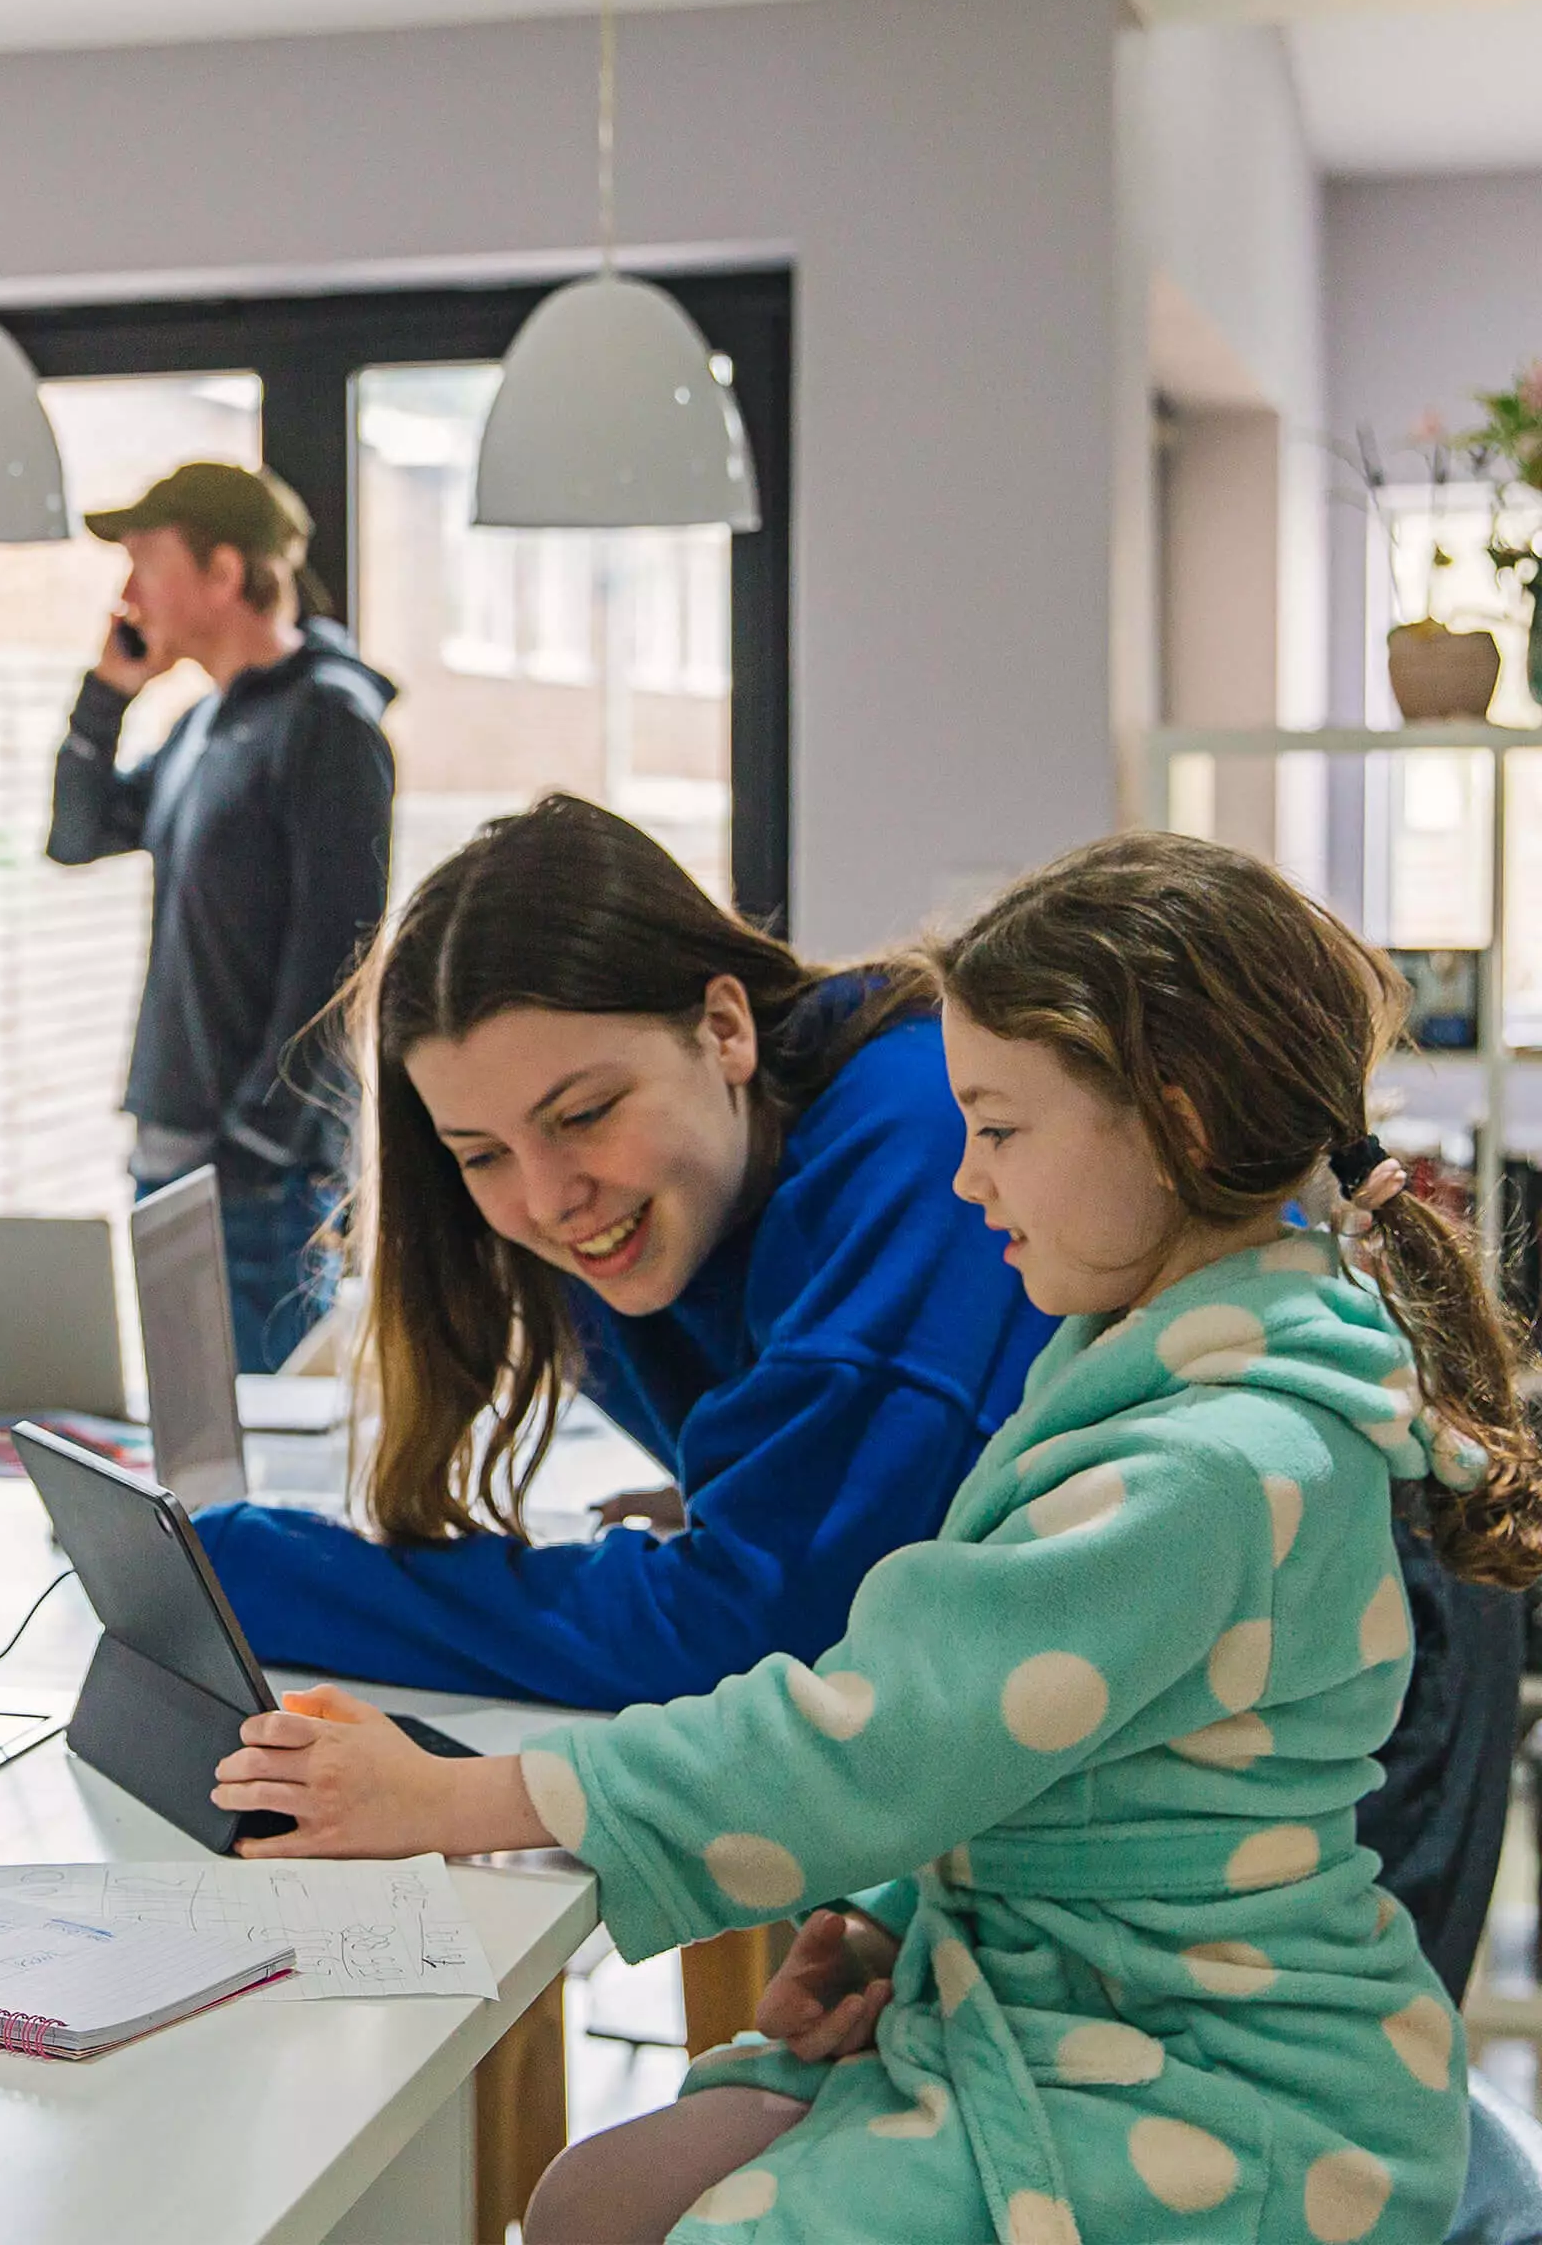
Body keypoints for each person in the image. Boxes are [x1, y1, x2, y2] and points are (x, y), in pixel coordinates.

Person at [214, 832, 1541, 2245]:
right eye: (483, 1155)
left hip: (1195, 2068)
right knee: (594, 2197)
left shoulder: (1204, 1466)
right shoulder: (1126, 1362)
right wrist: (901, 1917)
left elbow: (861, 1712)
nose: (544, 1200)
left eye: (1003, 1132)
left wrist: (448, 1799)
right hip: (1074, 1982)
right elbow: (1044, 1749)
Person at [194, 793, 1055, 1709]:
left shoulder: (924, 1136)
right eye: (481, 1154)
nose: (548, 1199)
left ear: (724, 1030)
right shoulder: (654, 1193)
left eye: (585, 1115)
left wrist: (259, 1574)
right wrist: (760, 1490)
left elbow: (754, 1636)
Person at [46, 461, 398, 1371]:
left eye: (144, 563)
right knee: (193, 1447)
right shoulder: (204, 724)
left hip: (257, 1180)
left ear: (224, 573)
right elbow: (78, 835)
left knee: (260, 1454)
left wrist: (252, 1146)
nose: (127, 593)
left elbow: (342, 959)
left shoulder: (328, 721)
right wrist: (107, 695)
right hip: (172, 1156)